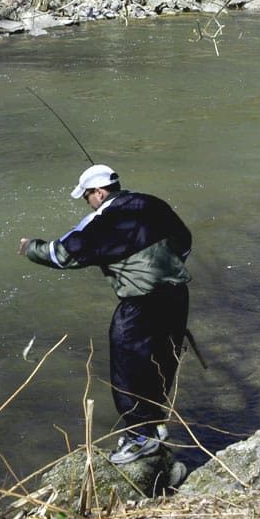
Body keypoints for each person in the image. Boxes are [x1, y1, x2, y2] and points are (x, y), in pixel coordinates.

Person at [18, 164, 192, 465]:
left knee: (127, 369)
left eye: (87, 196)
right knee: (161, 362)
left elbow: (63, 254)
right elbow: (185, 241)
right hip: (177, 295)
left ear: (99, 192)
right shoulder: (152, 203)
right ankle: (153, 425)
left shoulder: (103, 219)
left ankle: (141, 438)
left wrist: (31, 247)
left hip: (140, 304)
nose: (87, 202)